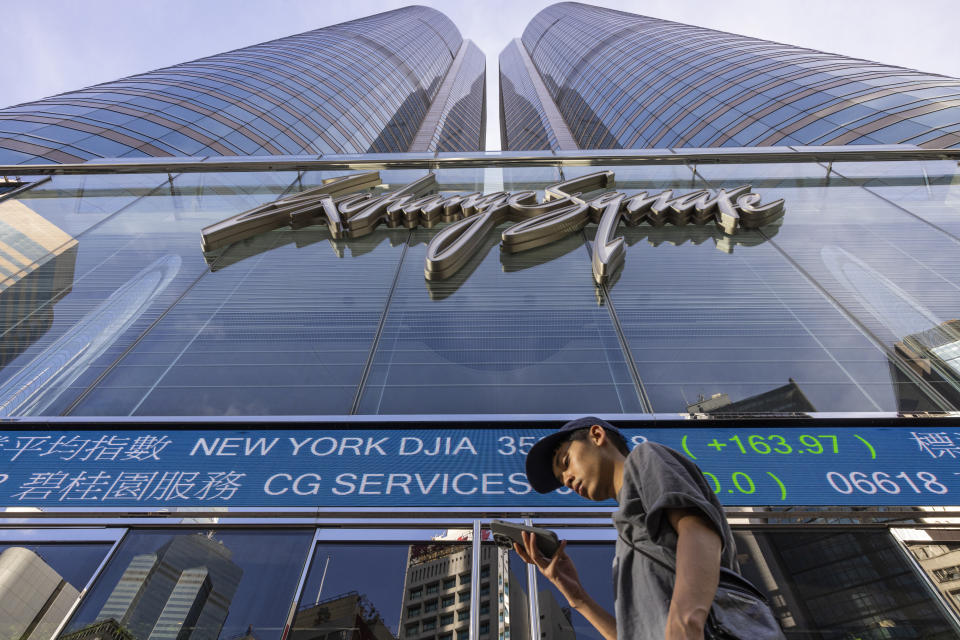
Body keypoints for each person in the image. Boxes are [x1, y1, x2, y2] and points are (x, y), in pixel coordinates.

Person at [514, 416, 741, 640]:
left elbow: (698, 530)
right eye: (562, 479)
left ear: (597, 435)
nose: (567, 480)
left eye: (565, 462)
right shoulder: (624, 544)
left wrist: (685, 624)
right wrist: (577, 597)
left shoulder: (645, 457)